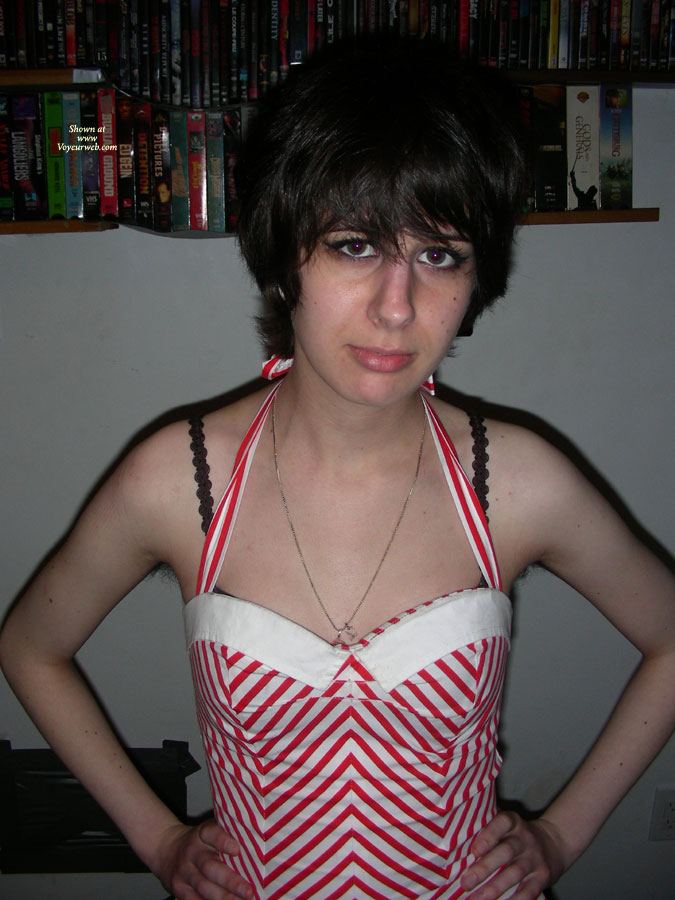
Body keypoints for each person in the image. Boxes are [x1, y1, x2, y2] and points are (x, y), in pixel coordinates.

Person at [1, 44, 674, 900]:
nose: (396, 307)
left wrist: (560, 835)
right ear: (285, 255)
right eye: (355, 246)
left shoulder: (513, 481)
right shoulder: (180, 480)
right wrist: (159, 839)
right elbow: (31, 648)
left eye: (439, 256)